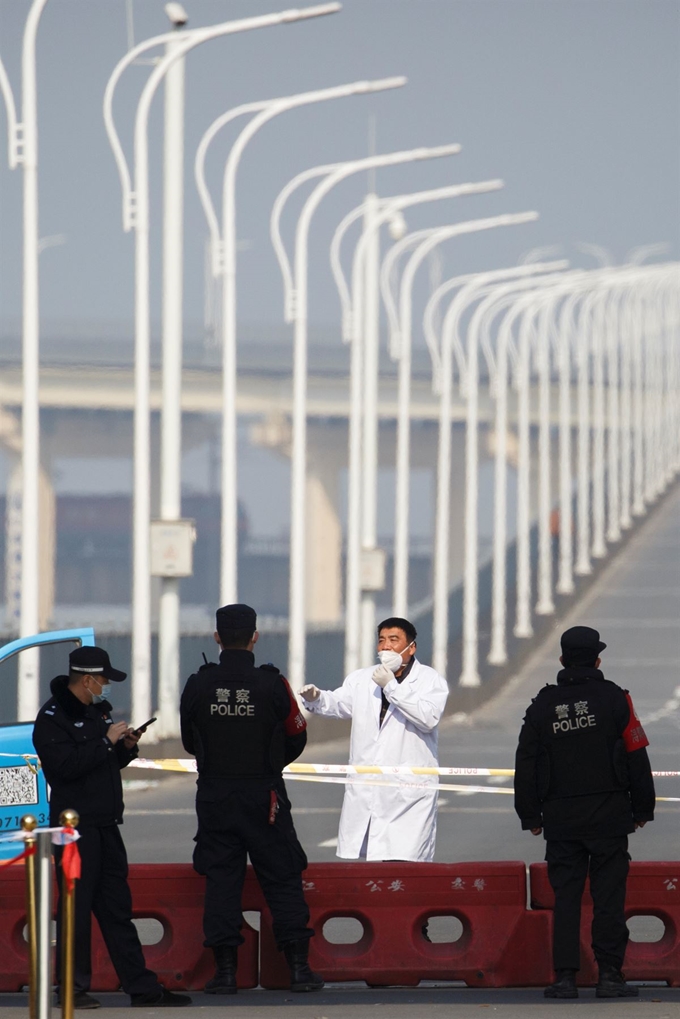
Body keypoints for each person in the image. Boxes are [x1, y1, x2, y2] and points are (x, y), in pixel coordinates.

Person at [32, 646, 190, 1010]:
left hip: (106, 825)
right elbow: (65, 768)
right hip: (74, 830)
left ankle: (141, 987)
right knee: (76, 910)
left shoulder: (96, 711)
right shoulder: (52, 718)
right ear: (86, 679)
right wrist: (105, 742)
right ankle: (71, 987)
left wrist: (125, 748)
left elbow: (105, 763)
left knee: (117, 910)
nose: (105, 686)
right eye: (102, 679)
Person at [179, 603, 323, 996]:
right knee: (282, 876)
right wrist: (270, 765)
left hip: (215, 796)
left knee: (222, 882)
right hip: (265, 796)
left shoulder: (198, 684)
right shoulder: (273, 685)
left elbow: (191, 739)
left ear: (217, 638)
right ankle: (298, 970)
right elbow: (297, 735)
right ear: (255, 637)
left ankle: (225, 974)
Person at [514, 625, 655, 1000]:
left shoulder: (544, 705)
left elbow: (526, 760)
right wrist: (643, 807)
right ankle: (610, 975)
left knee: (567, 899)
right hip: (609, 816)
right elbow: (636, 752)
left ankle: (564, 978)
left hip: (561, 819)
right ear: (597, 659)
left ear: (562, 660)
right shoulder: (615, 699)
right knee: (608, 898)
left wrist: (530, 815)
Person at [300, 617, 449, 862]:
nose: (386, 647)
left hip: (409, 794)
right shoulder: (362, 678)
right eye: (381, 641)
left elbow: (428, 717)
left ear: (411, 647)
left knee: (405, 864)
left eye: (394, 640)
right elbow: (340, 704)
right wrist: (316, 699)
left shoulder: (430, 680)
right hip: (368, 786)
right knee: (371, 867)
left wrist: (391, 686)